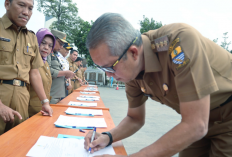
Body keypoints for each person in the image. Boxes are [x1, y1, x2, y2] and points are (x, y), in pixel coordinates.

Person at [84, 13, 232, 157]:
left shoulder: (179, 43)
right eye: (102, 69)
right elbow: (135, 118)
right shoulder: (131, 71)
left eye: (110, 67)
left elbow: (196, 125)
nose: (108, 75)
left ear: (133, 53)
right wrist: (108, 137)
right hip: (198, 121)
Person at [0, 0, 53, 135]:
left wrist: (45, 102)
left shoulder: (31, 37)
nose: (26, 12)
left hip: (22, 97)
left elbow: (34, 73)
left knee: (18, 143)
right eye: (21, 5)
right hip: (2, 94)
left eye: (30, 8)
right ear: (7, 4)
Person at [28, 28, 55, 117]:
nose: (46, 47)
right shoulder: (30, 60)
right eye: (43, 43)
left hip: (43, 110)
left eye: (50, 45)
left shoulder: (45, 62)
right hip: (30, 110)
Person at [47, 29, 75, 104]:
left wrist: (65, 75)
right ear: (52, 39)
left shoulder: (54, 54)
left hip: (56, 95)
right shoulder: (47, 53)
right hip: (51, 95)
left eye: (63, 44)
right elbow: (47, 71)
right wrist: (65, 73)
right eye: (60, 43)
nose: (62, 46)